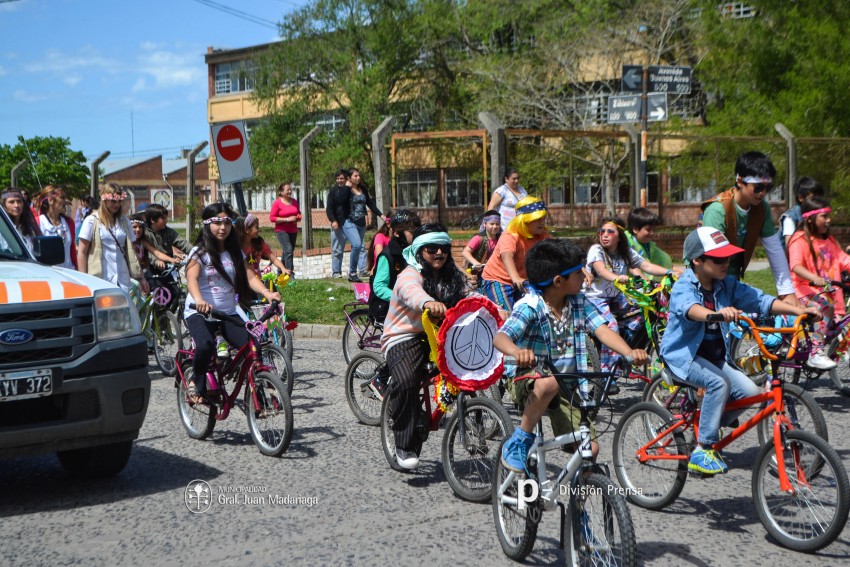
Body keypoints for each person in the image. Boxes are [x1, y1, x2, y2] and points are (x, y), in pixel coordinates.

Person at [662, 226, 821, 475]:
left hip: (714, 356)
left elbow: (760, 300)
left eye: (727, 258)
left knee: (749, 391)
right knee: (718, 384)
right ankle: (703, 449)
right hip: (684, 356)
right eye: (718, 259)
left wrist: (798, 310)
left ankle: (707, 423)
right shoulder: (685, 285)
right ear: (697, 260)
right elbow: (690, 309)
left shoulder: (726, 285)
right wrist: (715, 313)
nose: (726, 263)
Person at [496, 238, 648, 473]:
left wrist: (629, 352)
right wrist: (518, 352)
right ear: (559, 281)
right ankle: (520, 439)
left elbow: (602, 330)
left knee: (590, 450)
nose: (585, 276)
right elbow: (501, 337)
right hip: (527, 378)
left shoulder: (578, 302)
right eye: (578, 272)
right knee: (548, 383)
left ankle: (577, 495)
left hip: (566, 384)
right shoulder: (530, 306)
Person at [380, 223, 473, 470]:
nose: (439, 253)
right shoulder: (409, 274)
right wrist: (428, 302)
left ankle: (478, 421)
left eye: (443, 248)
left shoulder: (452, 276)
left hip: (441, 334)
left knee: (472, 369)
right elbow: (411, 292)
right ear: (420, 251)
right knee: (406, 380)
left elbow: (471, 294)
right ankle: (404, 444)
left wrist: (496, 309)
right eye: (432, 248)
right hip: (404, 336)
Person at [183, 203, 281, 404]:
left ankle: (256, 390)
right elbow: (191, 279)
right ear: (207, 224)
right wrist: (199, 300)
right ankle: (196, 379)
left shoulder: (234, 251)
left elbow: (249, 275)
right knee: (206, 345)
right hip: (200, 312)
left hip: (227, 312)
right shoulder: (199, 252)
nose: (223, 227)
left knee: (253, 346)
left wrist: (266, 292)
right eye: (217, 222)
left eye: (227, 222)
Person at [696, 150, 799, 306]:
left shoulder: (761, 209)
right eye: (757, 187)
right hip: (706, 285)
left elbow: (774, 250)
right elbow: (710, 258)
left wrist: (787, 292)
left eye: (768, 187)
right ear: (739, 181)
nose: (762, 193)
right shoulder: (718, 209)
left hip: (731, 281)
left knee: (767, 308)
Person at [586, 217, 671, 377]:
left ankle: (625, 347)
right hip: (594, 298)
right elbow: (601, 270)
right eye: (602, 231)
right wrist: (617, 278)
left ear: (620, 236)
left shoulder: (625, 252)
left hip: (615, 296)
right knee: (611, 327)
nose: (604, 235)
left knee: (647, 307)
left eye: (610, 232)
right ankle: (608, 375)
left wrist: (670, 272)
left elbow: (646, 266)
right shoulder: (597, 250)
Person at [788, 196, 849, 370]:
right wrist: (813, 277)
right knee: (826, 309)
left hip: (827, 294)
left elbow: (844, 260)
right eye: (824, 216)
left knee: (838, 324)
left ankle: (821, 345)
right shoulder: (799, 240)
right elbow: (795, 266)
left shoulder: (829, 241)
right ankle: (815, 352)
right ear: (810, 218)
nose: (828, 220)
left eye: (829, 216)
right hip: (802, 291)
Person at [480, 196, 550, 312]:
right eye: (537, 219)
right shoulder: (511, 235)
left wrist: (578, 267)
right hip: (498, 280)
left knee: (533, 311)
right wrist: (516, 278)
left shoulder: (542, 235)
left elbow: (558, 252)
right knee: (507, 314)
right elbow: (507, 255)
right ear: (524, 220)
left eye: (543, 218)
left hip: (523, 281)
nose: (542, 222)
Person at [77, 184, 148, 295]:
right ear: (104, 200)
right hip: (100, 277)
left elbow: (132, 251)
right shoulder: (92, 220)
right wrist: (83, 279)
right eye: (113, 201)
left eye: (119, 201)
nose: (117, 205)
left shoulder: (124, 221)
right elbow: (82, 251)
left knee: (124, 305)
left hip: (122, 277)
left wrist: (141, 277)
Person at [343, 168, 385, 282]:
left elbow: (370, 203)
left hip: (361, 223)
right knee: (357, 245)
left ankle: (354, 273)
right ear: (349, 178)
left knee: (357, 247)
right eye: (355, 176)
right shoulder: (346, 190)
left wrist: (381, 215)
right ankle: (352, 272)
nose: (358, 178)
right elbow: (341, 200)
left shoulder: (363, 189)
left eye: (359, 175)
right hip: (349, 221)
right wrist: (346, 188)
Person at [625, 208, 683, 280]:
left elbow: (668, 265)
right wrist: (647, 283)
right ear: (635, 229)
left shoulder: (650, 246)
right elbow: (632, 268)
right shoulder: (625, 243)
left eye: (654, 230)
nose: (652, 233)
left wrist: (684, 273)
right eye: (648, 230)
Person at [236, 214, 290, 278]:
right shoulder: (236, 246)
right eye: (256, 227)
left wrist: (283, 268)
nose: (259, 230)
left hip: (257, 280)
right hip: (242, 280)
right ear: (247, 230)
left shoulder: (259, 243)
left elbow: (273, 258)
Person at [36, 185, 77, 270]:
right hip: (48, 274)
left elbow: (72, 250)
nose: (66, 201)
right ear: (50, 200)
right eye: (62, 198)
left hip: (69, 272)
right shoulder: (38, 223)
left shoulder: (69, 223)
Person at [779, 176, 826, 249]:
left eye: (819, 197)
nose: (817, 201)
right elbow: (790, 247)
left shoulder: (819, 216)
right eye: (813, 197)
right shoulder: (790, 218)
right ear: (800, 198)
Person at [462, 209, 501, 285]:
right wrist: (475, 263)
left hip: (494, 274)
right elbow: (465, 252)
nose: (495, 226)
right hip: (477, 275)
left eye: (497, 224)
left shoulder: (500, 239)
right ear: (485, 224)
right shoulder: (478, 238)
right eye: (492, 224)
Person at [269, 182, 301, 273]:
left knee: (287, 252)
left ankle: (280, 272)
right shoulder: (277, 203)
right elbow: (272, 218)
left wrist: (297, 218)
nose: (290, 191)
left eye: (290, 189)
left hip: (293, 230)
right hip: (281, 230)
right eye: (288, 190)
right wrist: (287, 219)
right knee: (288, 250)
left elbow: (299, 213)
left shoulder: (294, 202)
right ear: (281, 192)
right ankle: (290, 273)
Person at [325, 169, 350, 279]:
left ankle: (360, 271)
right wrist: (333, 221)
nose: (339, 180)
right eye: (337, 179)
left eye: (341, 178)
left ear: (346, 179)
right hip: (338, 224)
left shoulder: (351, 190)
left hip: (350, 223)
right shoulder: (333, 191)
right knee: (337, 250)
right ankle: (336, 272)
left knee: (359, 247)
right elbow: (329, 208)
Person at [2, 187, 41, 253]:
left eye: (19, 201)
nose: (16, 205)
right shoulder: (2, 230)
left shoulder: (29, 229)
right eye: (11, 202)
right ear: (4, 205)